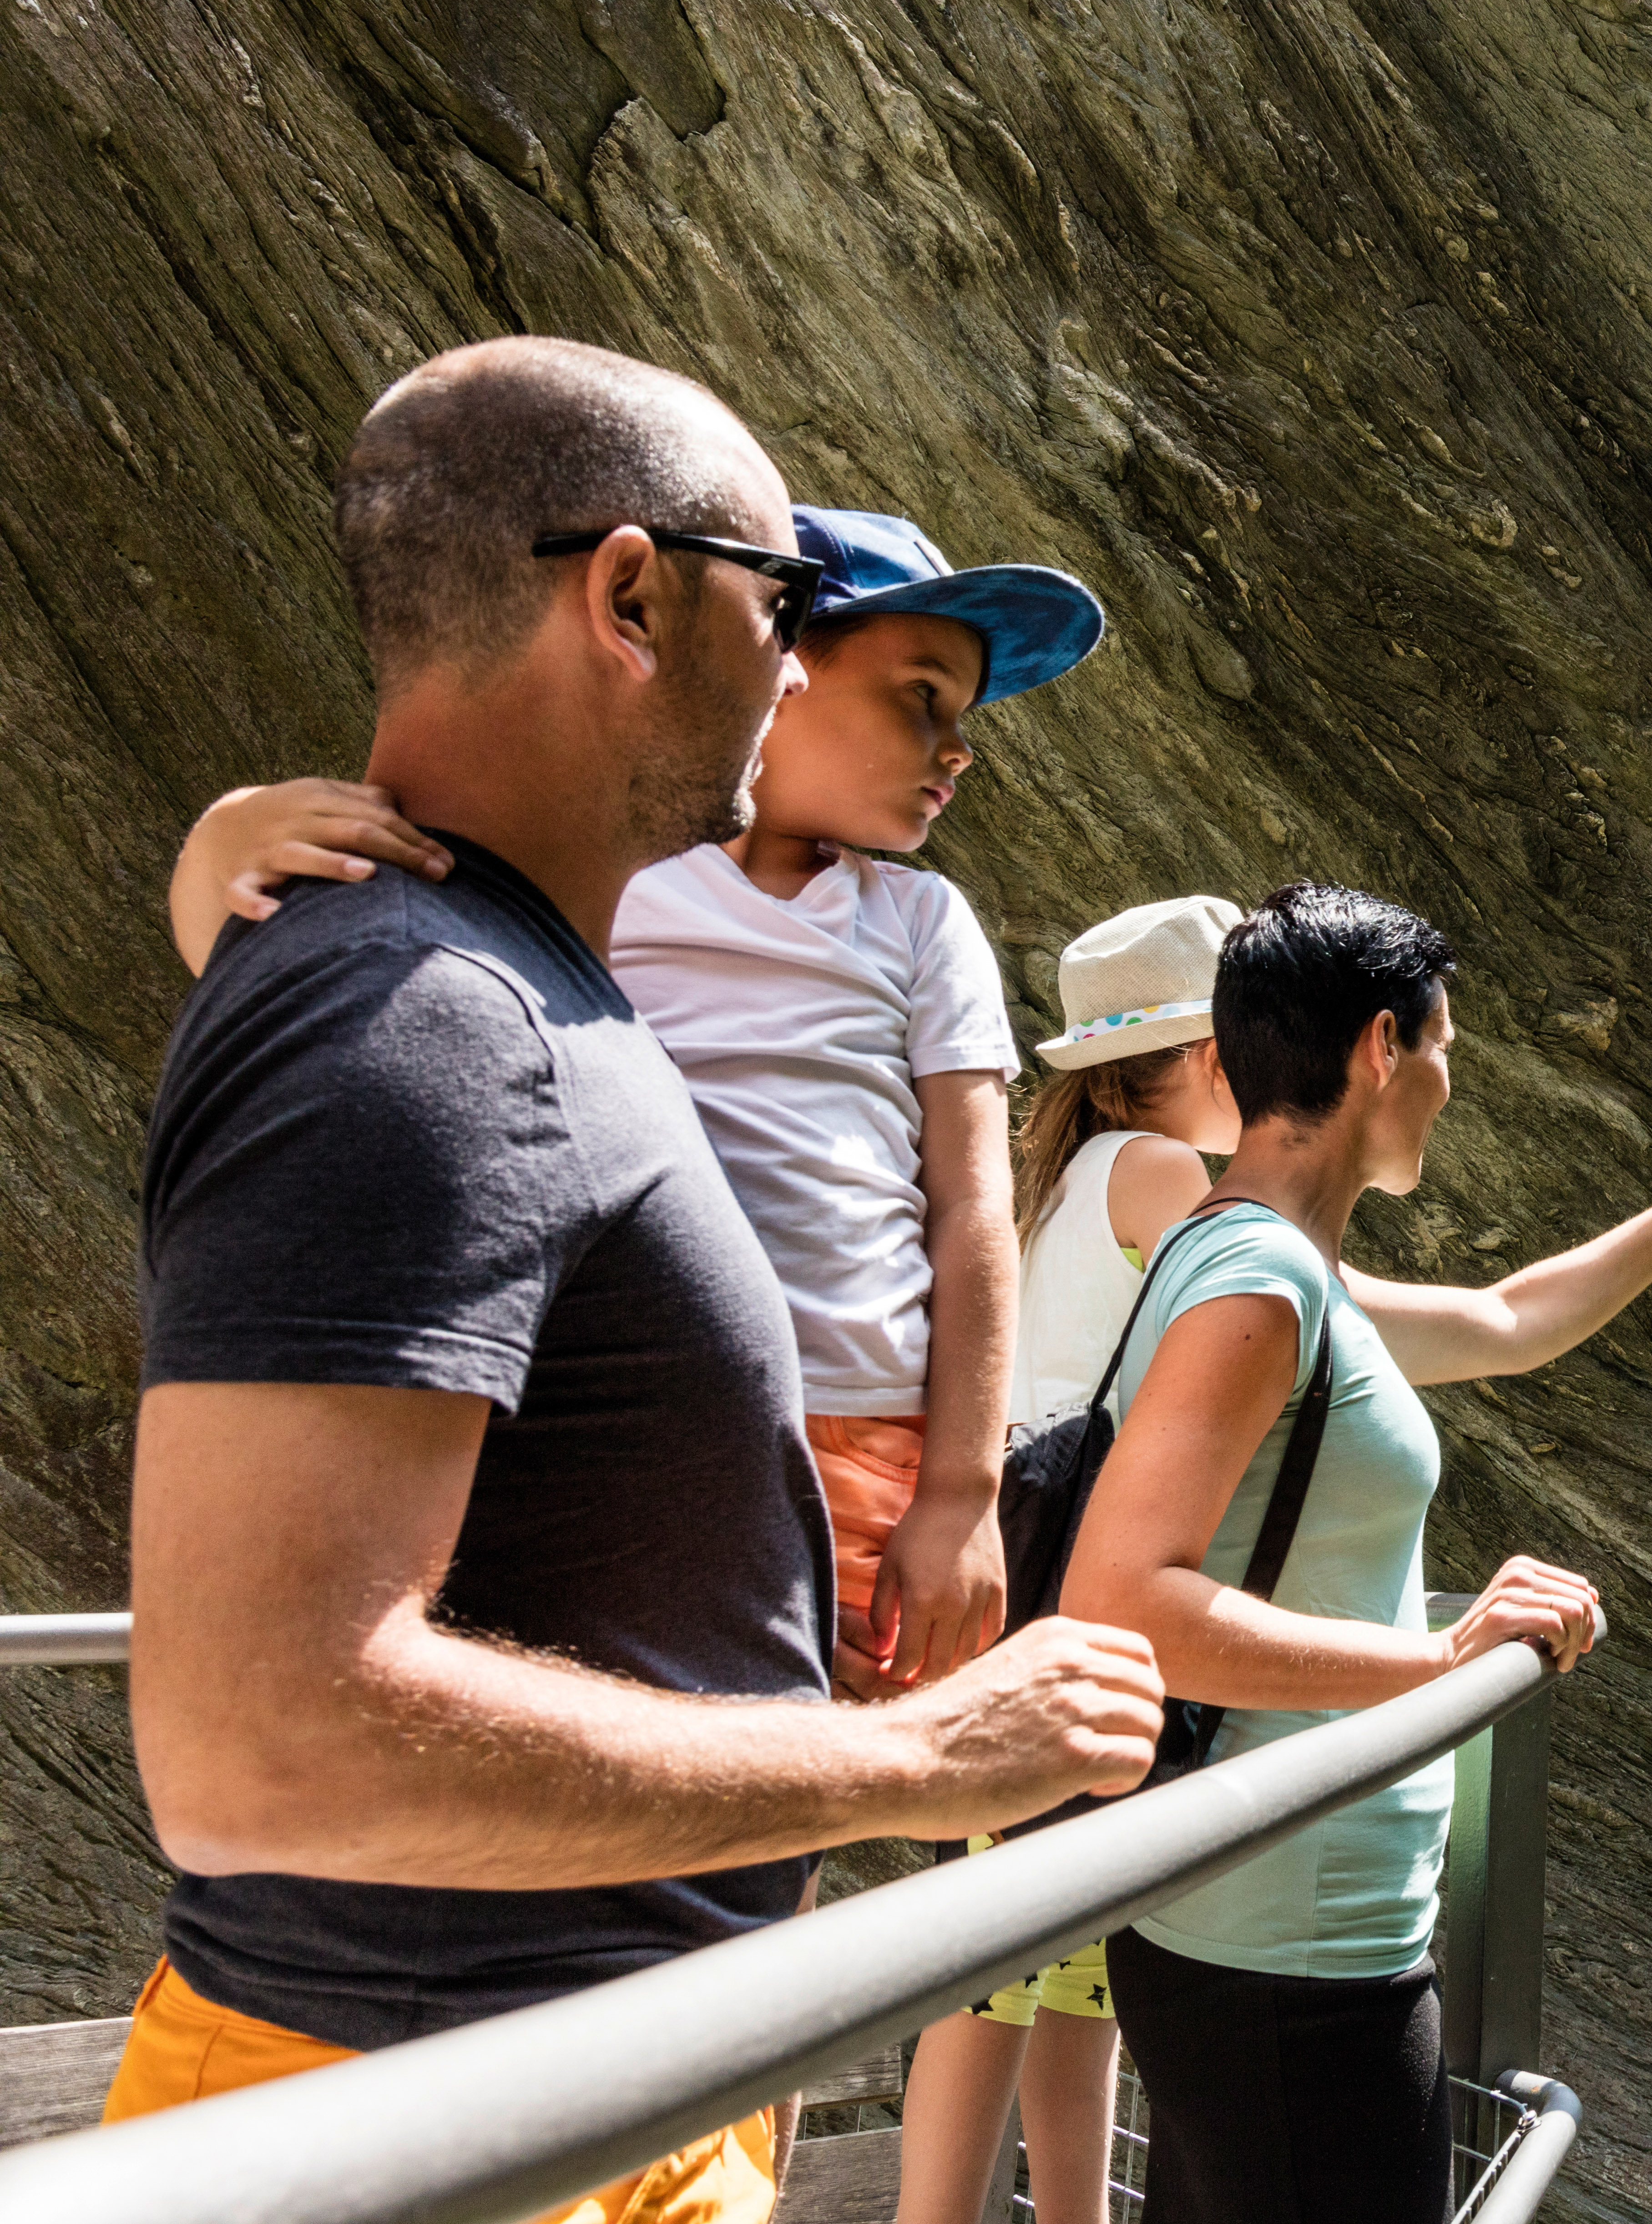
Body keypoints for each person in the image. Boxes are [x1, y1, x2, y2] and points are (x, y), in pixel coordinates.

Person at [118, 337, 1159, 2222]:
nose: (788, 658)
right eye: (781, 605)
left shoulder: (510, 990)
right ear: (628, 593)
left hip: (582, 2080)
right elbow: (260, 1740)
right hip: (422, 2104)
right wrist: (905, 1754)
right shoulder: (423, 1016)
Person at [175, 507, 1110, 1705]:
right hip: (633, 1396)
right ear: (777, 669)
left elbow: (973, 1213)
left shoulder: (921, 923)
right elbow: (351, 966)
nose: (957, 748)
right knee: (624, 1731)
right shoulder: (612, 865)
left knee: (803, 1769)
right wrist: (221, 846)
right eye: (922, 697)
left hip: (865, 1425)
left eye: (965, 717)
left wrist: (961, 1498)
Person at [1063, 881, 1652, 2224]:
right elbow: (1125, 1604)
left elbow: (1502, 1319)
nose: (1446, 1085)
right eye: (1444, 1051)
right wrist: (1437, 1659)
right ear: (1382, 1048)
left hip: (1275, 1927)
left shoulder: (1275, 1261)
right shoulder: (1257, 1286)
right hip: (1289, 1952)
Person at [897, 897, 1250, 2224]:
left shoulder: (1061, 1176)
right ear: (1212, 1055)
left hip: (1017, 1580)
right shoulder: (1162, 1178)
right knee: (1016, 1961)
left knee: (1043, 1957)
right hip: (1086, 1587)